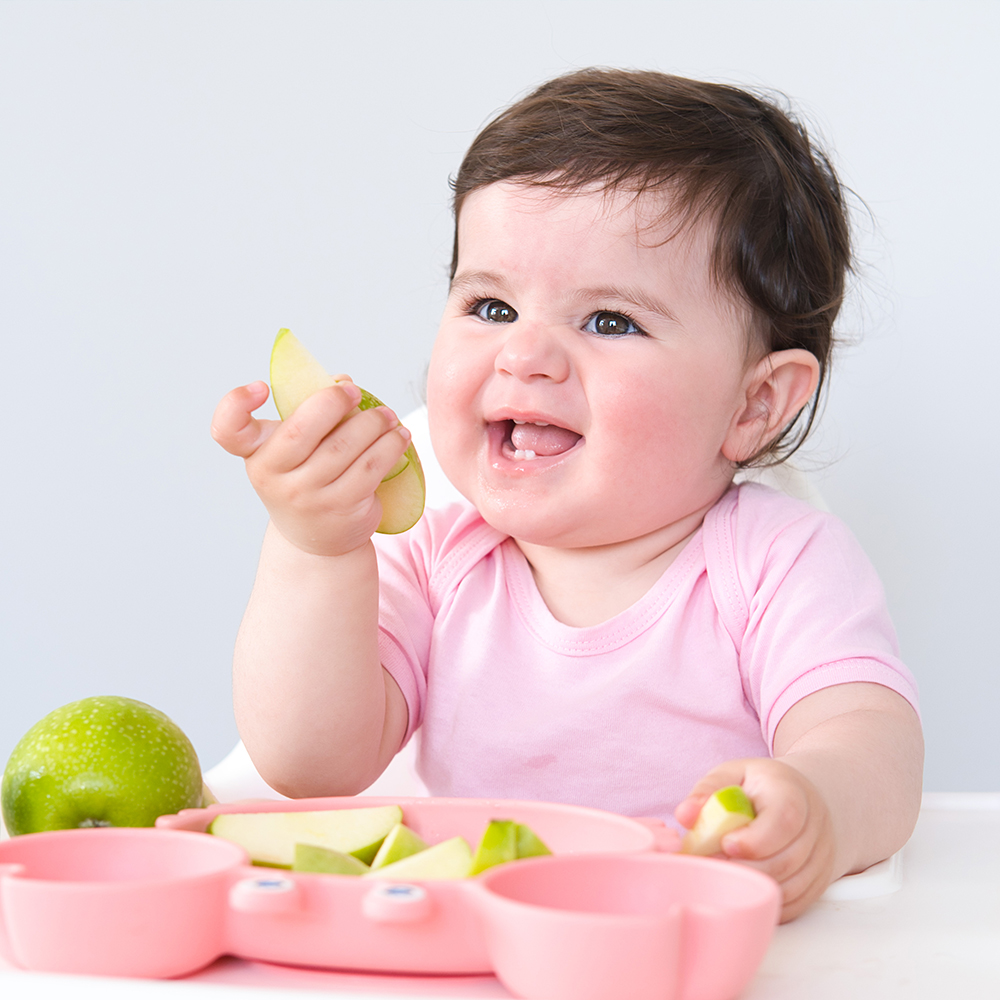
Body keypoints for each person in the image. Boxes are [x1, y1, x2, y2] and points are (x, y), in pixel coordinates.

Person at [211, 69, 923, 922]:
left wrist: (820, 807)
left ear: (753, 405)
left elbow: (872, 742)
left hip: (677, 940)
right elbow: (308, 762)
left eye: (609, 322)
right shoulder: (439, 556)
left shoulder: (774, 562)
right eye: (491, 305)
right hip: (469, 941)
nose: (525, 356)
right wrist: (315, 548)